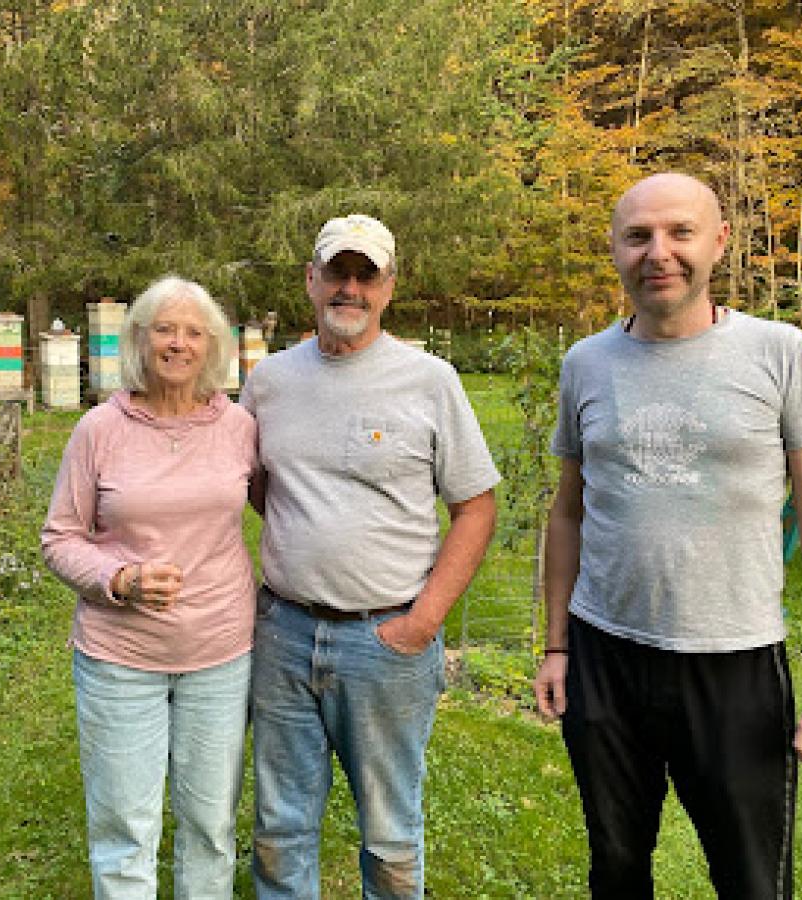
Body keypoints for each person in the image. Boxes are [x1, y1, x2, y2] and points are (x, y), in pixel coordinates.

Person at [533, 172, 802, 898]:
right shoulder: (586, 362)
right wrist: (557, 645)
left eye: (680, 232)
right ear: (615, 250)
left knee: (751, 880)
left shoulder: (780, 353)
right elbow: (568, 511)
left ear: (719, 241)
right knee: (617, 870)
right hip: (604, 656)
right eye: (638, 236)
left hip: (734, 660)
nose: (659, 253)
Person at [241, 213, 501, 899]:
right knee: (279, 821)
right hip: (284, 633)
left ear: (390, 286)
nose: (349, 289)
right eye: (337, 272)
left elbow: (476, 507)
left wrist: (421, 623)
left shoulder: (430, 380)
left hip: (385, 642)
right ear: (310, 280)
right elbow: (260, 487)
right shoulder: (269, 382)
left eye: (366, 275)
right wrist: (312, 538)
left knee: (389, 829)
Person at [41, 276, 257, 899]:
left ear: (212, 346)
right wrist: (120, 578)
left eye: (194, 332)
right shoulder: (99, 431)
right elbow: (59, 538)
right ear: (139, 339)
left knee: (211, 826)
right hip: (120, 659)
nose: (179, 343)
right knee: (124, 830)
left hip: (219, 654)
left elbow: (282, 506)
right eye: (165, 329)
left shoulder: (239, 427)